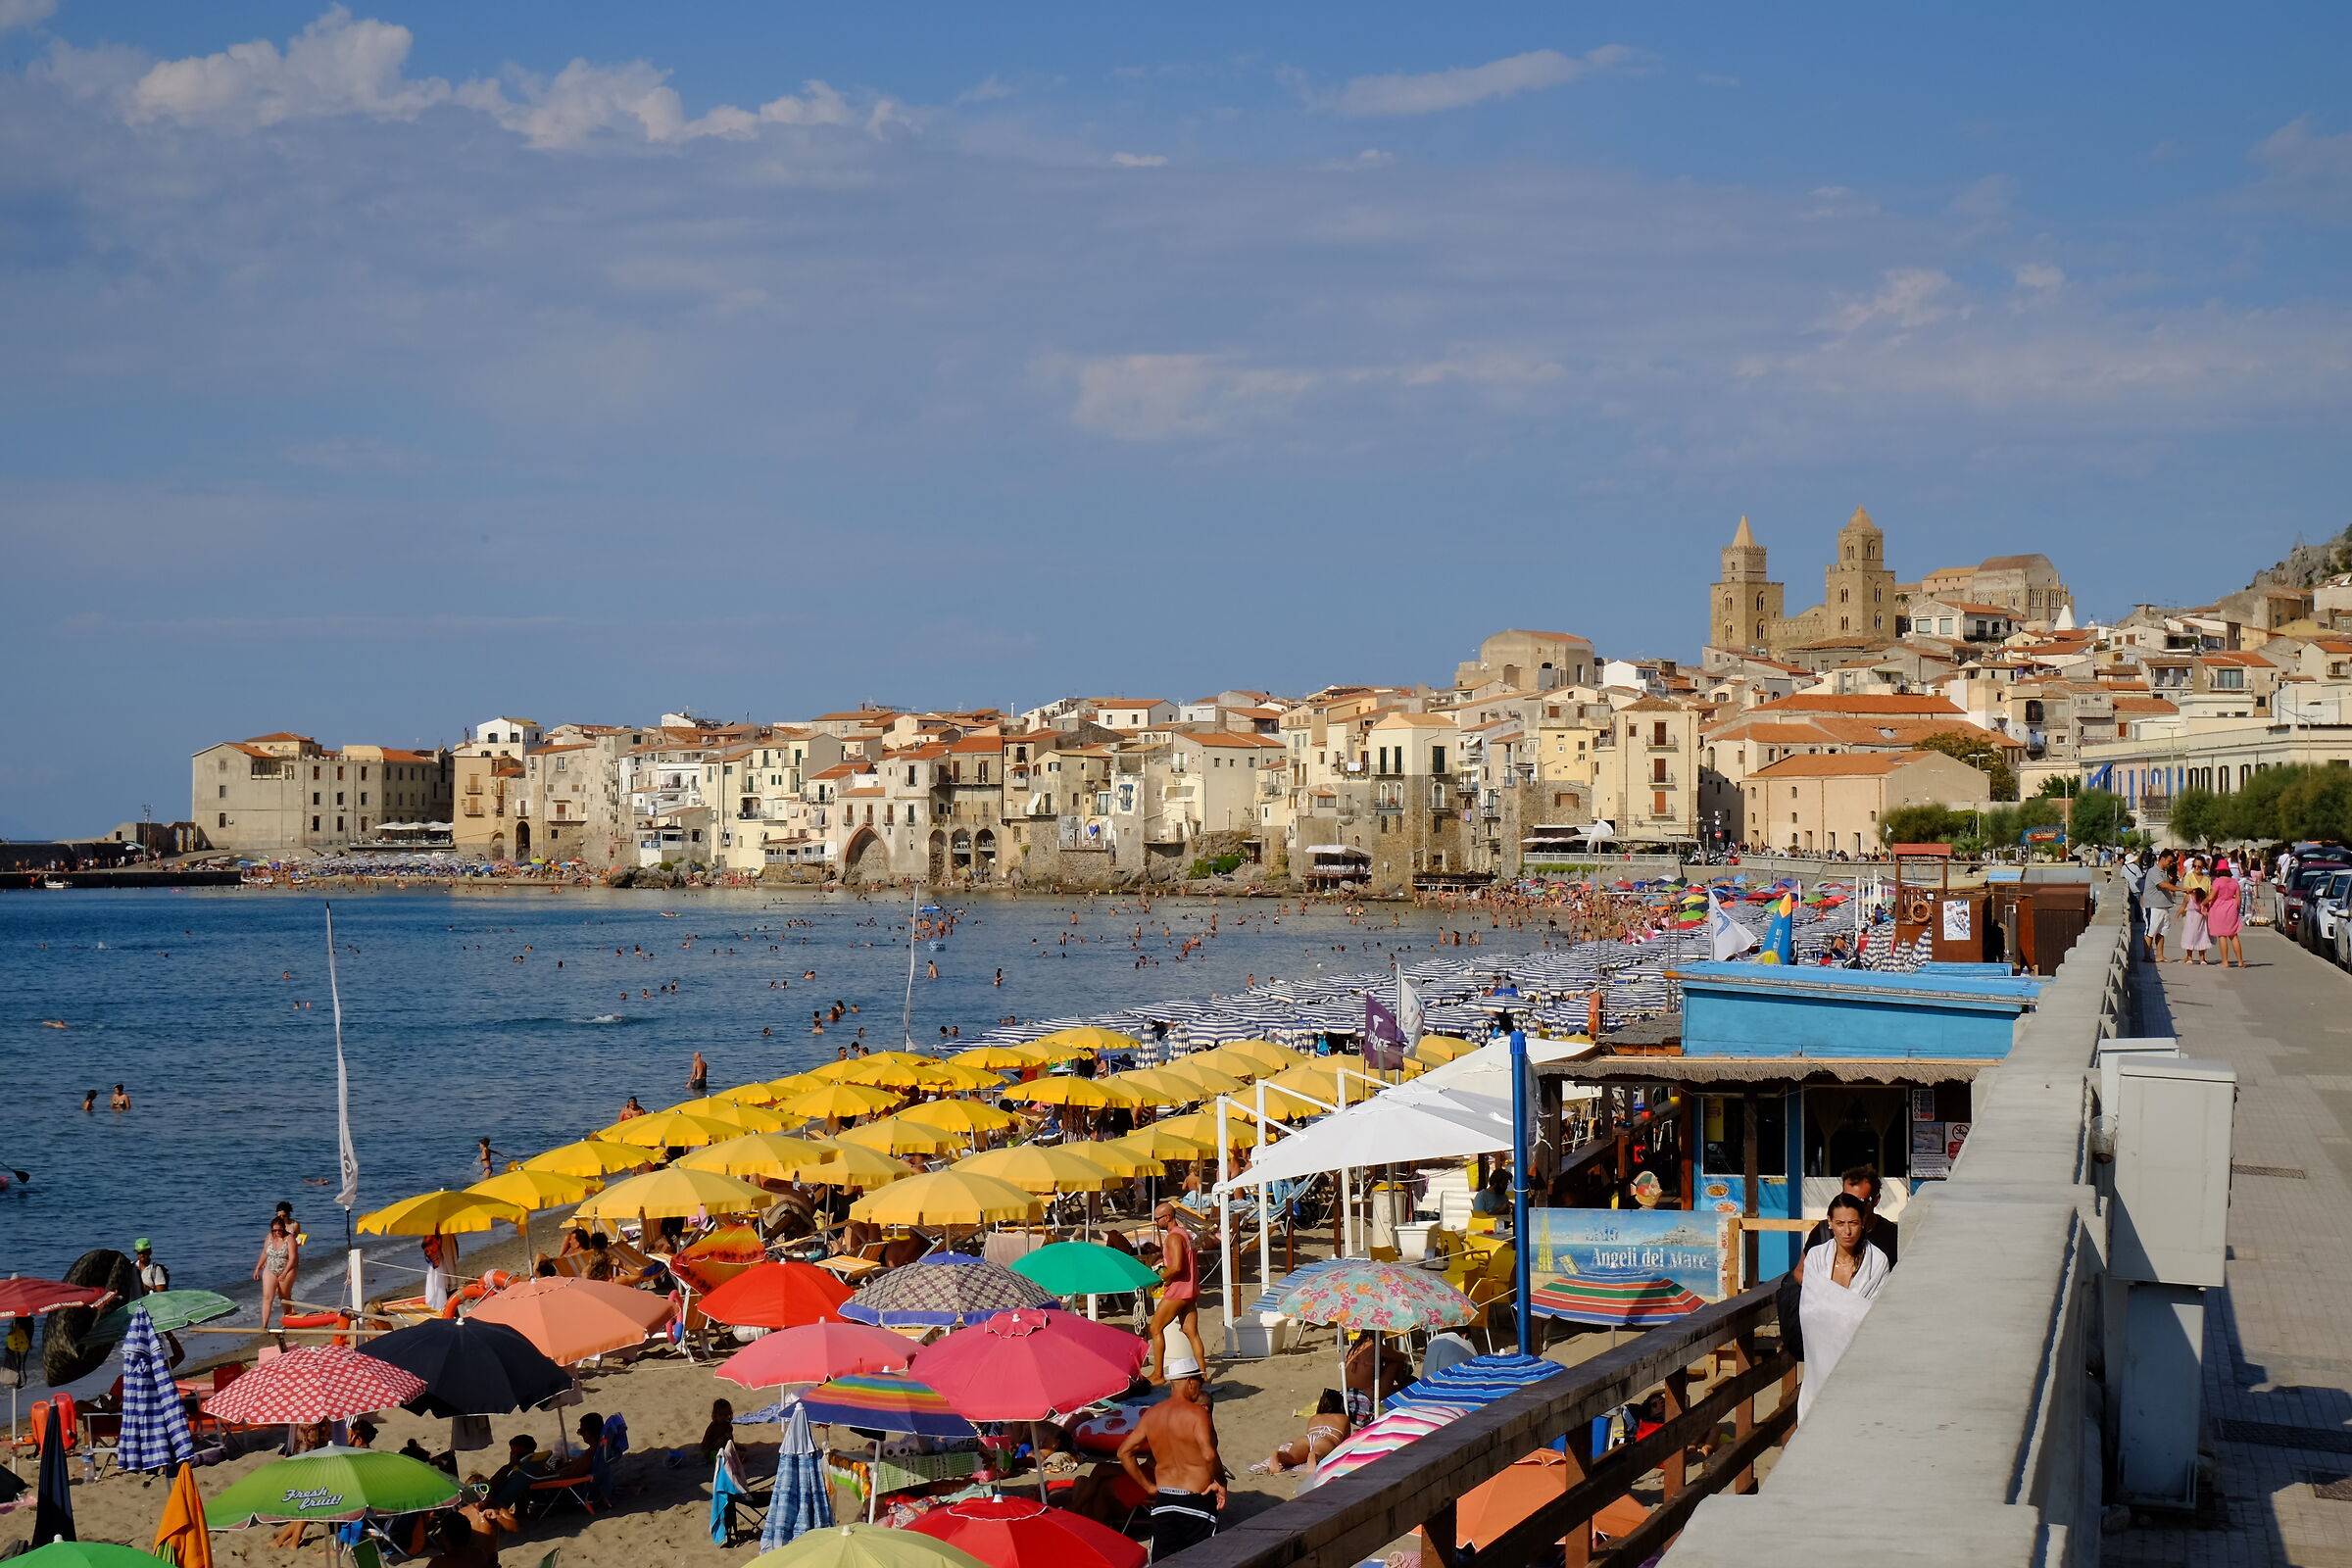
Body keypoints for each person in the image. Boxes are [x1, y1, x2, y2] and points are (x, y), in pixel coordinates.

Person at [1791, 1193, 1892, 1423]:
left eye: (1853, 1223)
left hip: (1861, 1363)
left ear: (1863, 1223)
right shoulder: (1816, 1257)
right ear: (1829, 1223)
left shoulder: (1877, 1262)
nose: (1847, 1231)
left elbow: (1875, 1316)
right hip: (1819, 1361)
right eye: (1840, 1223)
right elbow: (1809, 1310)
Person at [1116, 1353, 1226, 1557]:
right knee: (1204, 1561)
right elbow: (1209, 1455)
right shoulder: (1197, 1414)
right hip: (1196, 1500)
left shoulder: (1152, 1414)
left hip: (1164, 1499)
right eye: (1200, 1381)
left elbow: (1124, 1452)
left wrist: (1148, 1486)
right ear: (1190, 1381)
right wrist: (1221, 1482)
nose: (1200, 1387)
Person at [1146, 1202, 1207, 1383]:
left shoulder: (1173, 1238)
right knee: (1191, 1332)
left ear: (1167, 1217)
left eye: (1157, 1219)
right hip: (1190, 1289)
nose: (1156, 1222)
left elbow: (1178, 1266)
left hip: (1179, 1290)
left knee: (1155, 1328)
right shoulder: (1185, 1234)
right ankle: (1203, 1374)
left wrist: (1158, 1277)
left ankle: (1158, 1374)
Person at [1800, 1165, 1899, 1267]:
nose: (1852, 1206)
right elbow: (1800, 1272)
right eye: (1846, 1198)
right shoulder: (1824, 1231)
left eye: (1860, 1201)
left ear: (1876, 1200)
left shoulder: (1894, 1236)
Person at [1249, 1389, 1349, 1475]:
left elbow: (1310, 1434)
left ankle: (1278, 1455)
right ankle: (1314, 1455)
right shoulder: (1343, 1418)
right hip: (1326, 1438)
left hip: (1307, 1439)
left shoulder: (1314, 1417)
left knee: (1292, 1458)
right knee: (1319, 1452)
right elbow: (1347, 1443)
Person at [1341, 1333, 1412, 1422]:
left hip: (1347, 1392)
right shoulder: (1377, 1348)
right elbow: (1402, 1357)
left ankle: (1400, 1387)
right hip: (1367, 1396)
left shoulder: (1356, 1347)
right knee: (1395, 1363)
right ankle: (1404, 1388)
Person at [254, 1214, 298, 1331]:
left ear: (284, 1228)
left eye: (280, 1230)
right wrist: (258, 1267)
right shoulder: (269, 1237)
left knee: (284, 1296)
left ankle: (288, 1319)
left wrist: (284, 1273)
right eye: (275, 1230)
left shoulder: (290, 1239)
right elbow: (264, 1253)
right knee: (267, 1297)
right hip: (270, 1268)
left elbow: (293, 1258)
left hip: (286, 1268)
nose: (277, 1232)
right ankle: (264, 1325)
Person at [2139, 852, 2179, 963]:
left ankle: (2160, 956)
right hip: (2153, 906)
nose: (2170, 864)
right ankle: (2147, 956)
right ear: (2162, 859)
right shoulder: (2153, 871)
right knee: (2150, 931)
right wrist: (2182, 889)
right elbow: (2162, 885)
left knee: (2161, 932)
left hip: (2163, 906)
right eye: (2169, 861)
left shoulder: (2164, 872)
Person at [2209, 858, 2246, 968]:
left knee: (2222, 935)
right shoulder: (2234, 882)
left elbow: (2211, 896)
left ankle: (2225, 961)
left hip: (2219, 908)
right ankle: (2240, 961)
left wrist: (2204, 902)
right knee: (2234, 935)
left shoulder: (2217, 881)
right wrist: (2237, 908)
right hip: (2232, 908)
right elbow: (2239, 898)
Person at [2181, 886, 2214, 963]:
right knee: (2201, 937)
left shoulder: (2190, 897)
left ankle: (2190, 958)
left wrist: (2178, 914)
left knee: (2191, 937)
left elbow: (2183, 906)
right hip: (2199, 921)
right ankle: (2201, 958)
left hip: (2192, 920)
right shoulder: (2202, 899)